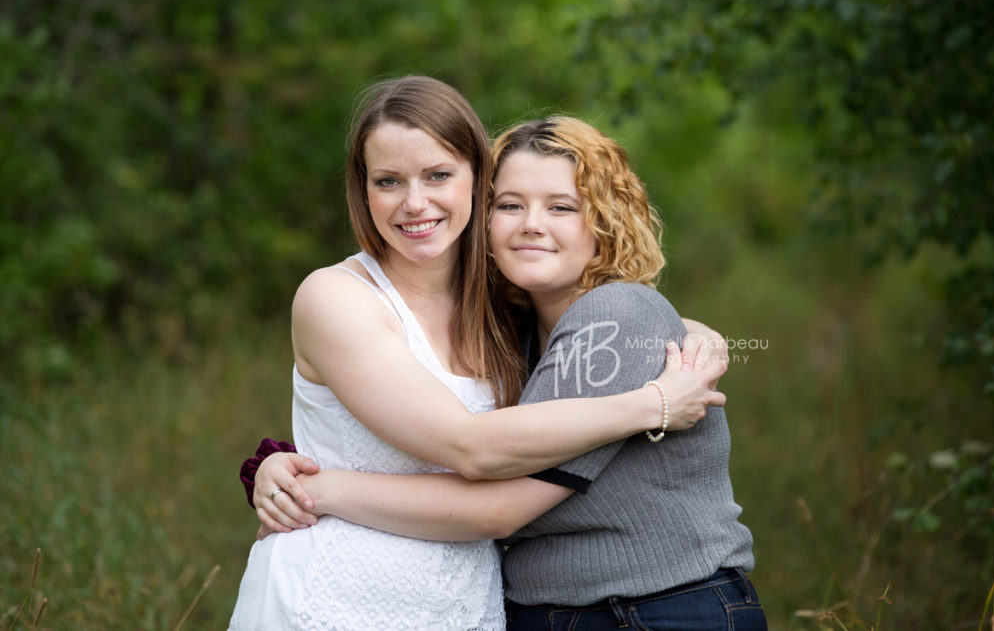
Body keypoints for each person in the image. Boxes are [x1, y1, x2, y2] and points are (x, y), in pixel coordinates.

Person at [227, 78, 729, 630]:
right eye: (388, 181)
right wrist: (655, 403)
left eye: (438, 175)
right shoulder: (338, 297)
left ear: (474, 183)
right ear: (362, 190)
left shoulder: (496, 309)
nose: (415, 202)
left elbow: (631, 327)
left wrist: (702, 341)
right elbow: (464, 446)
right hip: (338, 593)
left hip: (470, 605)